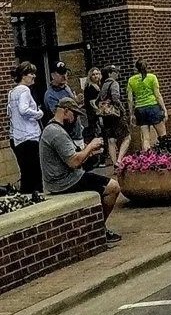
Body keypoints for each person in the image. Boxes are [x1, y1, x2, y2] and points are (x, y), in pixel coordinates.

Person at [39, 95, 120, 239]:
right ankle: (99, 228)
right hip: (64, 181)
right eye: (74, 114)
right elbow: (74, 162)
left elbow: (75, 156)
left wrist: (89, 152)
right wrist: (90, 146)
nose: (75, 118)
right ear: (65, 111)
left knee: (104, 185)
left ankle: (98, 226)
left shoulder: (56, 129)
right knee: (113, 187)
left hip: (66, 177)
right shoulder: (56, 132)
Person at [8, 62, 44, 194]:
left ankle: (26, 196)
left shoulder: (12, 92)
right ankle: (37, 196)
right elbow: (23, 110)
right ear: (24, 75)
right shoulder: (25, 90)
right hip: (29, 137)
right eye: (31, 74)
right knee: (35, 172)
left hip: (17, 138)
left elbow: (11, 113)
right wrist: (38, 114)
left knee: (25, 172)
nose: (34, 76)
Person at [96, 65, 131, 166]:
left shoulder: (103, 85)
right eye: (115, 72)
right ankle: (119, 160)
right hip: (115, 115)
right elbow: (115, 98)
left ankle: (114, 162)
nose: (117, 74)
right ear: (110, 73)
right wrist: (122, 109)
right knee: (127, 137)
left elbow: (98, 100)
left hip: (106, 115)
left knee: (111, 139)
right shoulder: (114, 83)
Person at [127, 61, 166, 149]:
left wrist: (131, 114)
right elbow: (158, 95)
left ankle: (146, 159)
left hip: (140, 109)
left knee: (145, 138)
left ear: (136, 68)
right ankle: (165, 156)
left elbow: (130, 99)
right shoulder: (152, 77)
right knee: (162, 135)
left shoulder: (131, 80)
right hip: (153, 107)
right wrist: (164, 108)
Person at [43, 62, 79, 129]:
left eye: (65, 73)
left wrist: (77, 101)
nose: (64, 76)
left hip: (76, 129)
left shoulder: (66, 87)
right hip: (64, 131)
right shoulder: (50, 95)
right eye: (61, 73)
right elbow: (60, 117)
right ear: (53, 76)